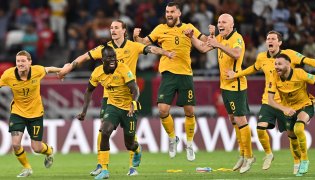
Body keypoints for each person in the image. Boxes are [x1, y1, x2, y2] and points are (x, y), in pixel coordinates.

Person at [58, 19, 174, 176]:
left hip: (129, 96)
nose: (113, 30)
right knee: (103, 130)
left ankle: (132, 165)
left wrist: (165, 52)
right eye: (111, 28)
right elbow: (84, 57)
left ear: (124, 30)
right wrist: (68, 68)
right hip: (110, 96)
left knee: (129, 139)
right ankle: (102, 165)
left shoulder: (133, 46)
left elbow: (150, 49)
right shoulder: (105, 48)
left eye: (116, 28)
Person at [226, 30, 315, 173]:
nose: (270, 41)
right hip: (269, 100)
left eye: (273, 39)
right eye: (268, 38)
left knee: (292, 134)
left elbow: (308, 60)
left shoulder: (290, 55)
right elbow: (253, 68)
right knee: (260, 128)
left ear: (279, 42)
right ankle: (269, 154)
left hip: (287, 101)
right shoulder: (261, 57)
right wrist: (236, 74)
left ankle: (297, 162)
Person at [133, 1, 207, 161]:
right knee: (162, 110)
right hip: (168, 75)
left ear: (179, 13)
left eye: (172, 11)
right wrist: (135, 37)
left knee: (189, 112)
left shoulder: (189, 27)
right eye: (167, 12)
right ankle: (173, 138)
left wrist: (195, 35)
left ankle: (189, 144)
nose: (169, 14)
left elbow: (205, 43)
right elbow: (143, 43)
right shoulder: (160, 29)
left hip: (186, 75)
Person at [184, 13, 254, 173]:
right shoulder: (220, 38)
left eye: (224, 22)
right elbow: (202, 48)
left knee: (241, 120)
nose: (220, 24)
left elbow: (236, 54)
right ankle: (242, 154)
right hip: (225, 86)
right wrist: (192, 36)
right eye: (219, 22)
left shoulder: (237, 38)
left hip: (236, 85)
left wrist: (217, 43)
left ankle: (249, 156)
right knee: (233, 120)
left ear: (231, 24)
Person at [81, 46, 141, 179]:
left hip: (129, 108)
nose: (113, 59)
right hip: (113, 106)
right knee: (105, 131)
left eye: (114, 56)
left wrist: (134, 102)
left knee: (129, 144)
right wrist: (84, 111)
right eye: (109, 57)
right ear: (103, 59)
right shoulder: (97, 72)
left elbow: (135, 88)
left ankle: (137, 150)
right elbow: (89, 90)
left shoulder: (123, 69)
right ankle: (104, 170)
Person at [0, 50, 62, 177]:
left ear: (30, 62)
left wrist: (62, 71)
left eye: (23, 61)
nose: (20, 64)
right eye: (18, 61)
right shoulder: (8, 75)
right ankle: (27, 168)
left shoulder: (37, 71)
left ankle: (49, 151)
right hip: (17, 113)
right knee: (16, 144)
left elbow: (49, 69)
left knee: (37, 148)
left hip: (36, 114)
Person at [268, 53, 315, 177]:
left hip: (305, 105)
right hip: (288, 110)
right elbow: (270, 100)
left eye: (279, 64)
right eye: (275, 64)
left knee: (298, 128)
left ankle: (305, 160)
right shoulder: (274, 76)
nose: (276, 67)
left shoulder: (299, 73)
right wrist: (284, 108)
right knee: (292, 137)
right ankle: (296, 161)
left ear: (288, 64)